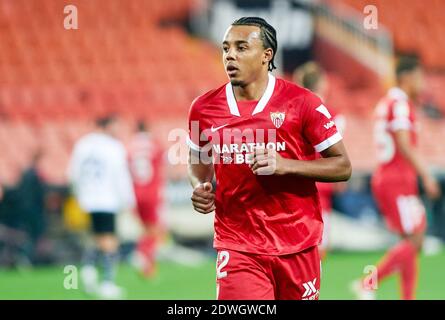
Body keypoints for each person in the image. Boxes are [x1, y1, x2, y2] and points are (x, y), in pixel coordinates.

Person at [187, 17, 351, 300]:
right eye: (226, 48)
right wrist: (200, 187)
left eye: (241, 47)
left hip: (297, 243)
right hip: (238, 245)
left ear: (267, 55)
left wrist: (286, 165)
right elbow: (197, 163)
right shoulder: (203, 108)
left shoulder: (302, 102)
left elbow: (342, 166)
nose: (230, 55)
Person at [352, 55, 441, 300]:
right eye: (419, 76)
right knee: (416, 238)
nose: (423, 82)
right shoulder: (400, 103)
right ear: (406, 77)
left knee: (410, 241)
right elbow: (403, 142)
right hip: (396, 179)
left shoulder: (386, 102)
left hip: (393, 178)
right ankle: (367, 283)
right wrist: (426, 174)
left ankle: (407, 297)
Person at [67, 114, 135, 299]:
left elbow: (73, 173)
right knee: (109, 242)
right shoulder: (113, 147)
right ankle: (107, 282)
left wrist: (79, 194)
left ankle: (89, 272)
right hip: (107, 199)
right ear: (107, 126)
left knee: (95, 238)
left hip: (87, 199)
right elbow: (121, 176)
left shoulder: (83, 144)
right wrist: (128, 200)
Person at [293, 61, 347, 260]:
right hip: (322, 183)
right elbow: (337, 153)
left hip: (295, 183)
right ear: (322, 84)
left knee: (297, 245)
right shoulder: (333, 114)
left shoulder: (291, 112)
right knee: (318, 247)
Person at [128, 120, 165, 277]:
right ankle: (140, 253)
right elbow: (164, 166)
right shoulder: (155, 144)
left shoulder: (129, 147)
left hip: (135, 193)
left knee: (146, 230)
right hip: (151, 193)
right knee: (157, 230)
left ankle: (148, 268)